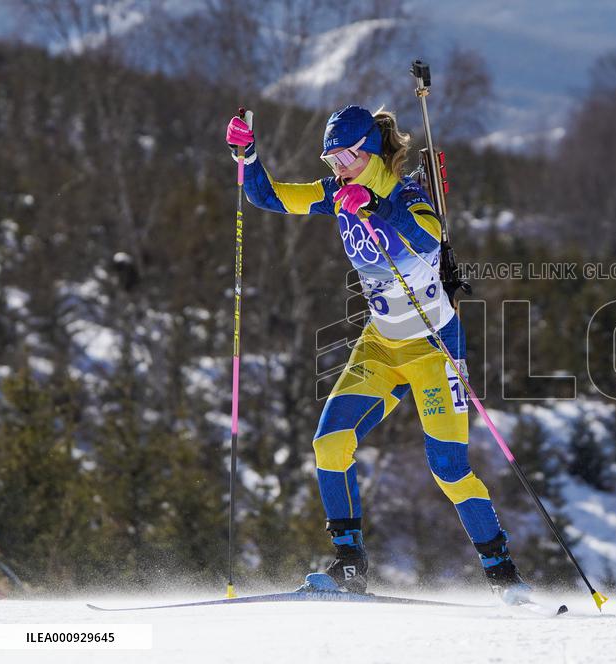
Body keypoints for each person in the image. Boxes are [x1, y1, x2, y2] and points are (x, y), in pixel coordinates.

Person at [225, 106, 528, 599]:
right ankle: (350, 567)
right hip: (381, 345)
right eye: (330, 159)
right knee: (330, 444)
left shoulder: (407, 194)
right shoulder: (335, 194)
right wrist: (248, 154)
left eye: (343, 155)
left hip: (433, 348)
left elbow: (427, 237)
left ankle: (503, 575)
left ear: (368, 150)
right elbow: (268, 196)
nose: (336, 167)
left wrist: (374, 205)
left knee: (449, 469)